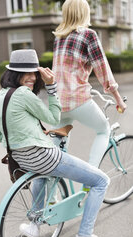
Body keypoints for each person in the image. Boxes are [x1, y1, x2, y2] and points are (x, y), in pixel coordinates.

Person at [0, 49, 113, 237]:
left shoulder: (0, 96)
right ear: (14, 74)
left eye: (34, 73)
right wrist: (51, 86)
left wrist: (25, 130)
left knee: (43, 173)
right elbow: (54, 118)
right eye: (26, 73)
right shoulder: (23, 94)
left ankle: (34, 225)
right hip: (44, 156)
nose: (31, 77)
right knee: (101, 180)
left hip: (21, 158)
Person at [52, 0, 127, 171]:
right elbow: (102, 69)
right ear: (84, 13)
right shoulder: (88, 35)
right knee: (103, 130)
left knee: (56, 152)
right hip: (77, 99)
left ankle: (51, 194)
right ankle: (91, 176)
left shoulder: (59, 37)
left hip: (57, 103)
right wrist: (118, 99)